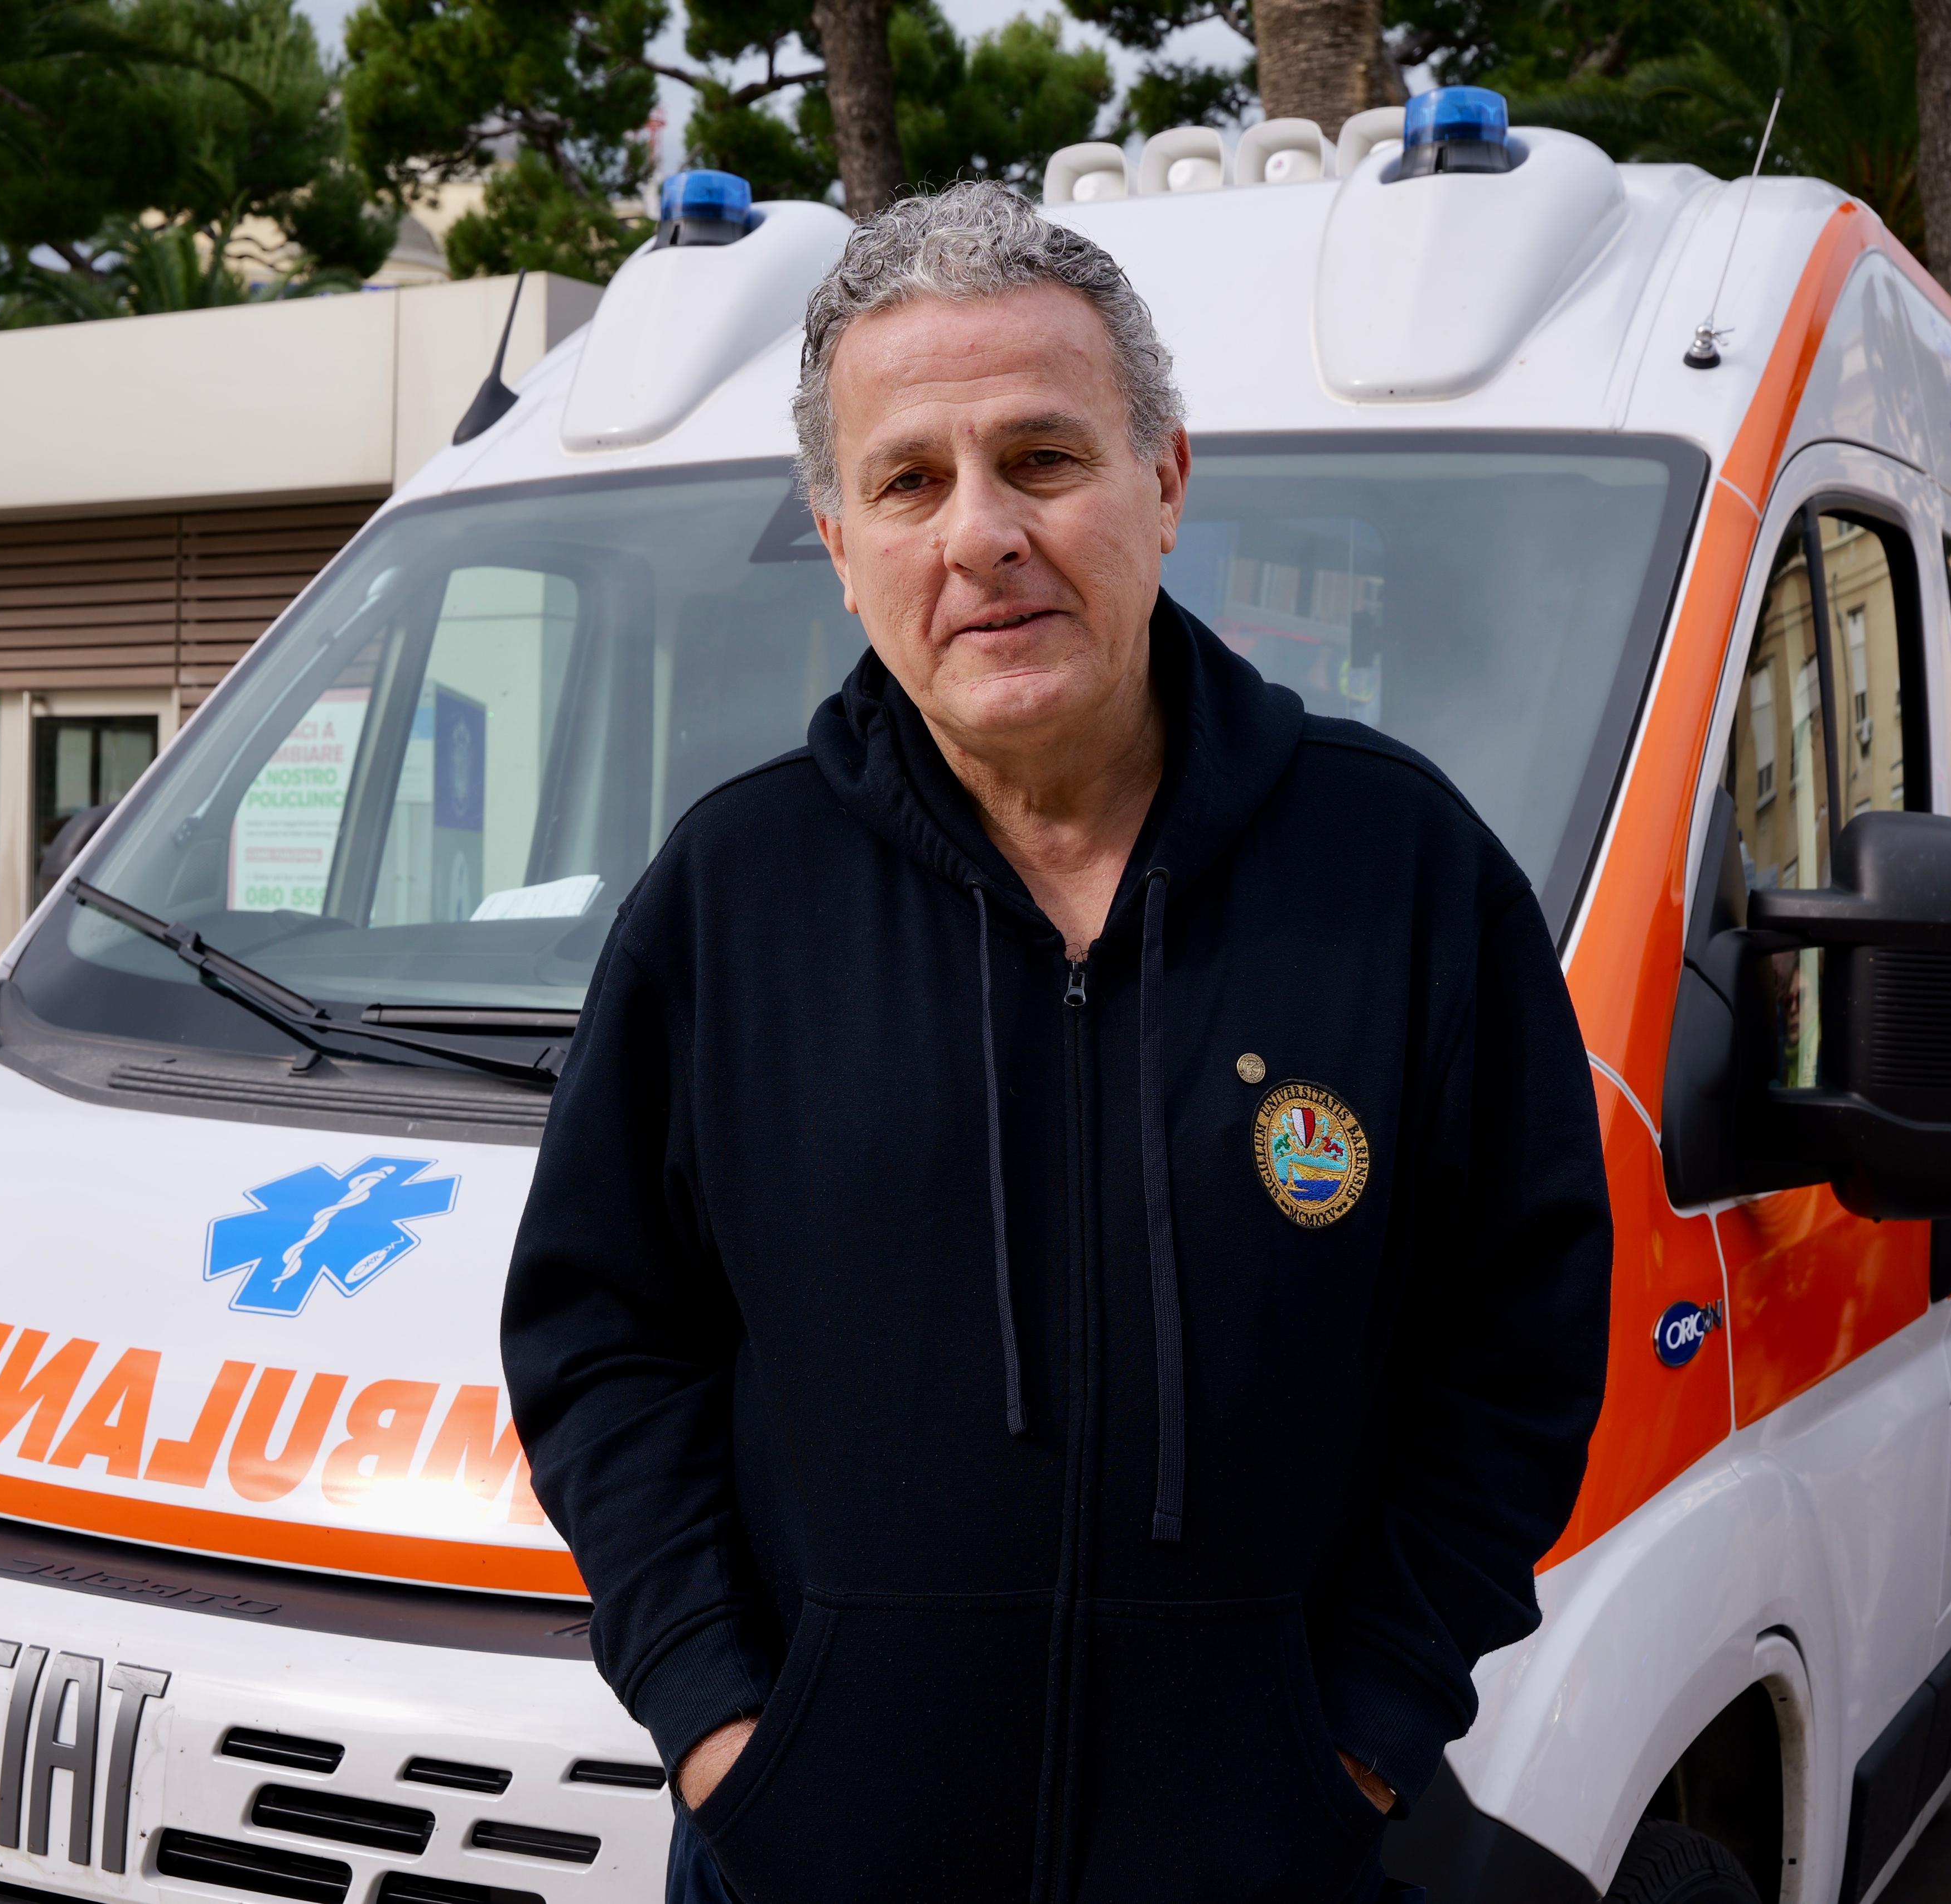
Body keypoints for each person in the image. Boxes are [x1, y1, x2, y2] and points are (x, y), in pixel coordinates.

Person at [501, 182, 1614, 1904]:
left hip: (1269, 1866)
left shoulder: (1403, 877)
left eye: (1041, 458)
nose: (981, 534)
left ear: (1164, 483)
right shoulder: (728, 898)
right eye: (908, 480)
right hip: (807, 1866)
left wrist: (1358, 1730)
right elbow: (600, 1340)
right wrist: (725, 1727)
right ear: (838, 539)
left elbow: (1513, 1349)